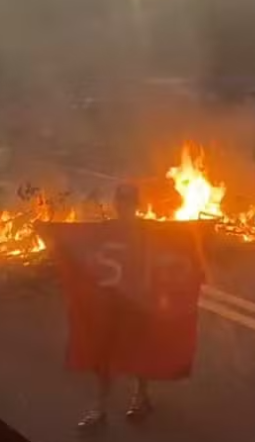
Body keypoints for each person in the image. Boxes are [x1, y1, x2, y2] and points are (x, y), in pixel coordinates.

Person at [77, 183, 153, 429]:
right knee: (103, 356)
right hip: (110, 301)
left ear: (136, 205)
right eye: (121, 202)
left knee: (138, 352)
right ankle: (99, 409)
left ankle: (141, 397)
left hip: (136, 300)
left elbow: (154, 262)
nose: (124, 207)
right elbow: (91, 254)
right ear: (116, 204)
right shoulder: (106, 228)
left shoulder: (146, 230)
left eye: (128, 202)